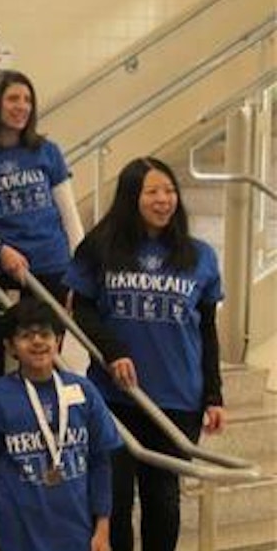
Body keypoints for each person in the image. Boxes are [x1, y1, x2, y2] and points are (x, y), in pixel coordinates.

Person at [67, 157, 226, 551]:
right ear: (131, 197)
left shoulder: (199, 255)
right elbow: (82, 308)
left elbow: (206, 328)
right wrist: (112, 351)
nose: (163, 199)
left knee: (163, 501)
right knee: (115, 502)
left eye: (170, 190)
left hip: (176, 398)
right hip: (114, 397)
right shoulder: (101, 247)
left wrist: (214, 394)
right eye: (152, 191)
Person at [0, 299, 121, 551]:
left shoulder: (84, 391)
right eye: (26, 336)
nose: (38, 342)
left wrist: (103, 527)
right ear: (10, 347)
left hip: (75, 530)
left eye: (45, 334)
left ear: (59, 341)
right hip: (16, 531)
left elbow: (101, 461)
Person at [0, 70, 83, 376]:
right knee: (2, 357)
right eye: (12, 99)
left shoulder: (47, 152)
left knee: (46, 357)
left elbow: (69, 215)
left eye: (27, 100)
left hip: (52, 266)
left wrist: (80, 270)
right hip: (4, 273)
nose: (21, 106)